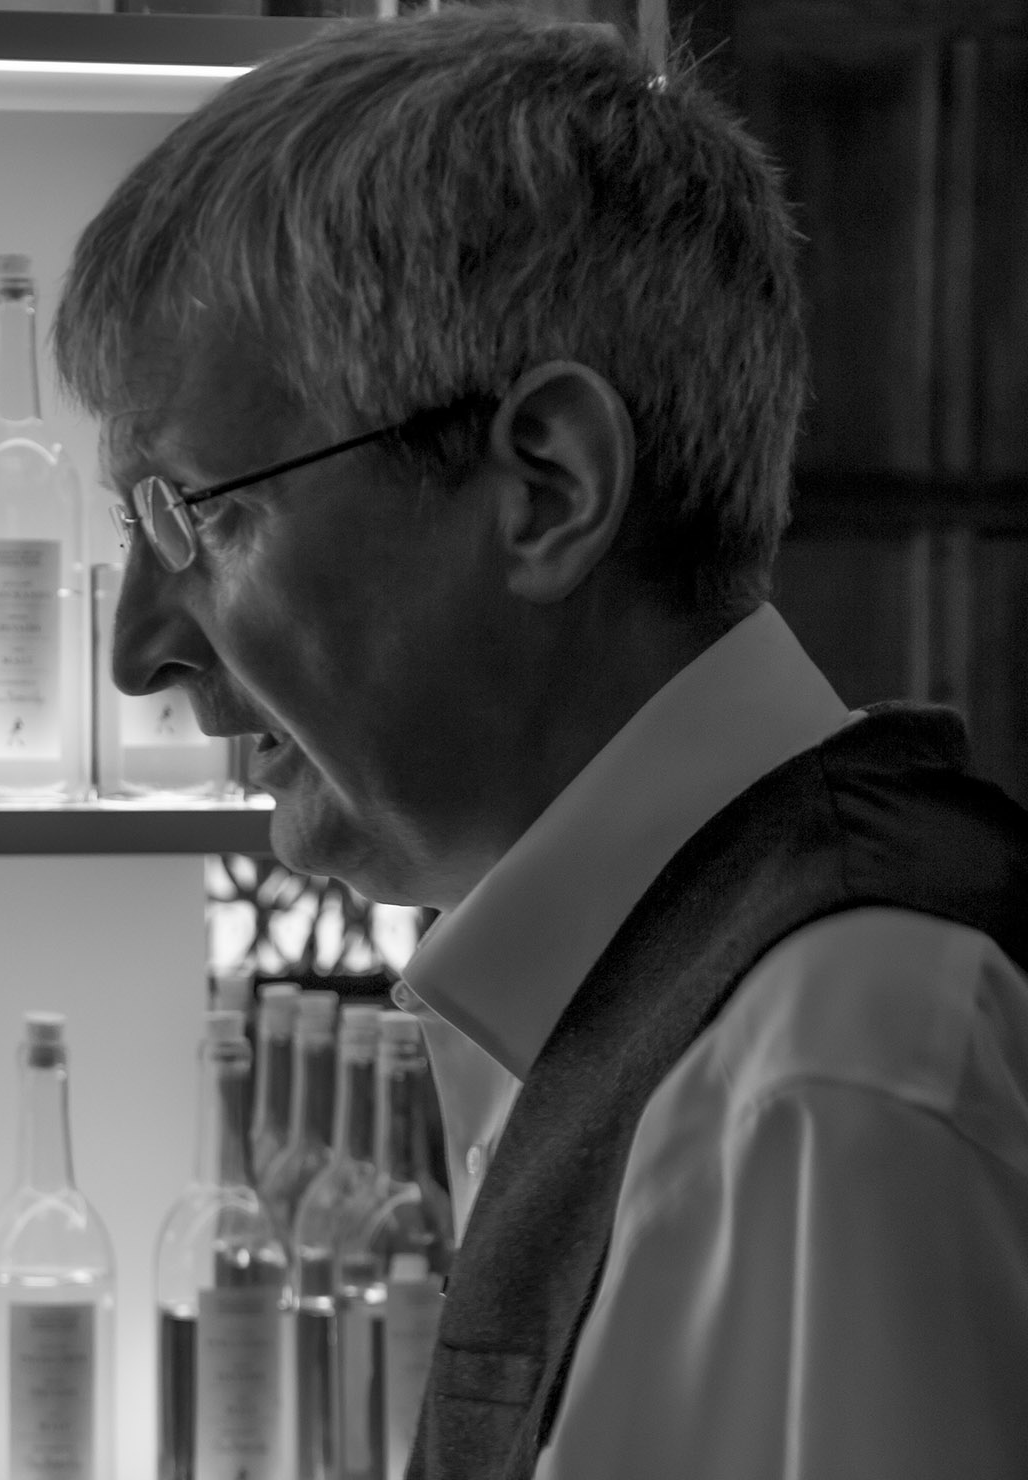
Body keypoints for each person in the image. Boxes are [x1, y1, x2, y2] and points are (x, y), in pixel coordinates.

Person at [53, 8, 1028, 1479]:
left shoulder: (834, 1071)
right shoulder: (690, 996)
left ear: (547, 490)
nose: (140, 654)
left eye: (205, 515)